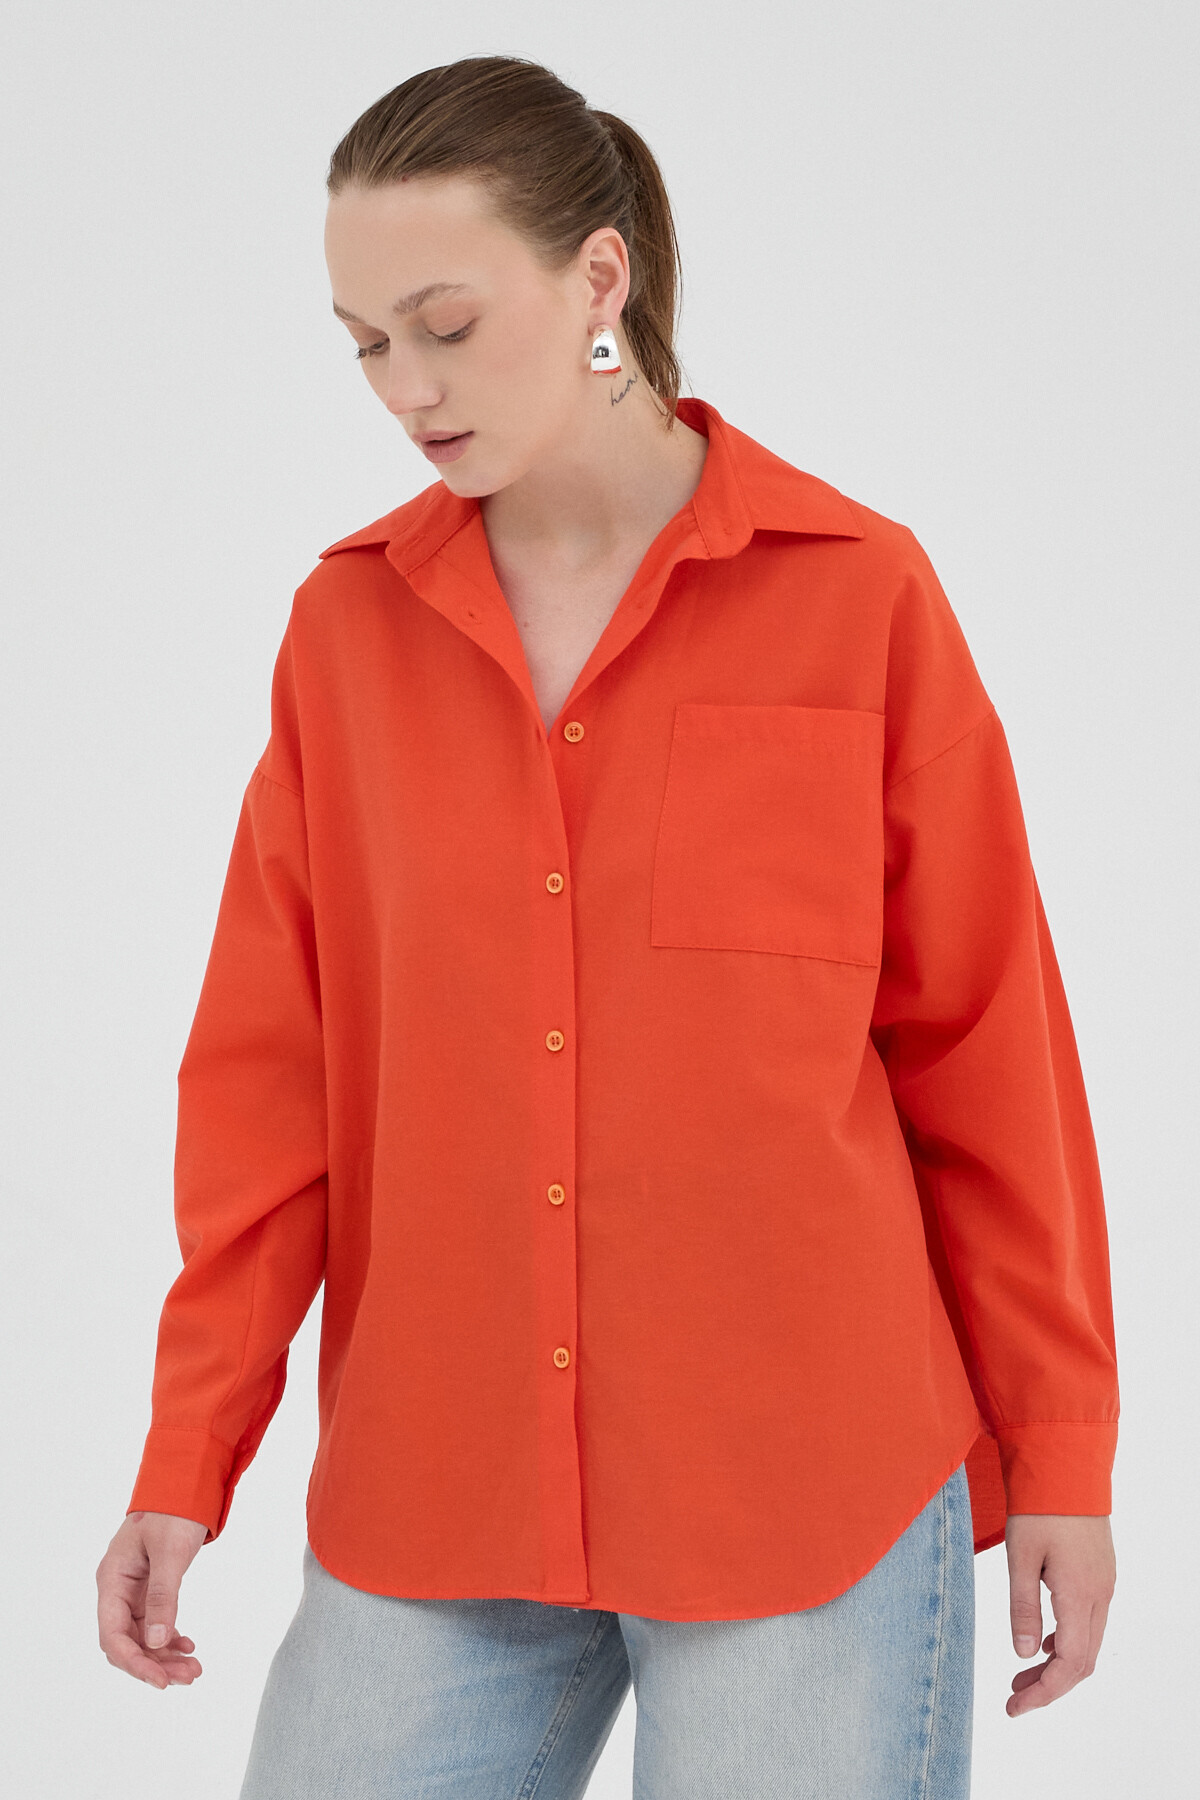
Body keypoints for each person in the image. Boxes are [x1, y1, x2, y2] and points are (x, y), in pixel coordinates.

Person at [96, 54, 1119, 1798]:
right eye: (365, 343)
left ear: (597, 277)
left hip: (805, 1488)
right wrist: (190, 1451)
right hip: (442, 1479)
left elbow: (986, 1053)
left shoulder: (858, 594)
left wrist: (1063, 1454)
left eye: (444, 324)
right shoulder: (346, 634)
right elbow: (272, 1081)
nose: (406, 388)